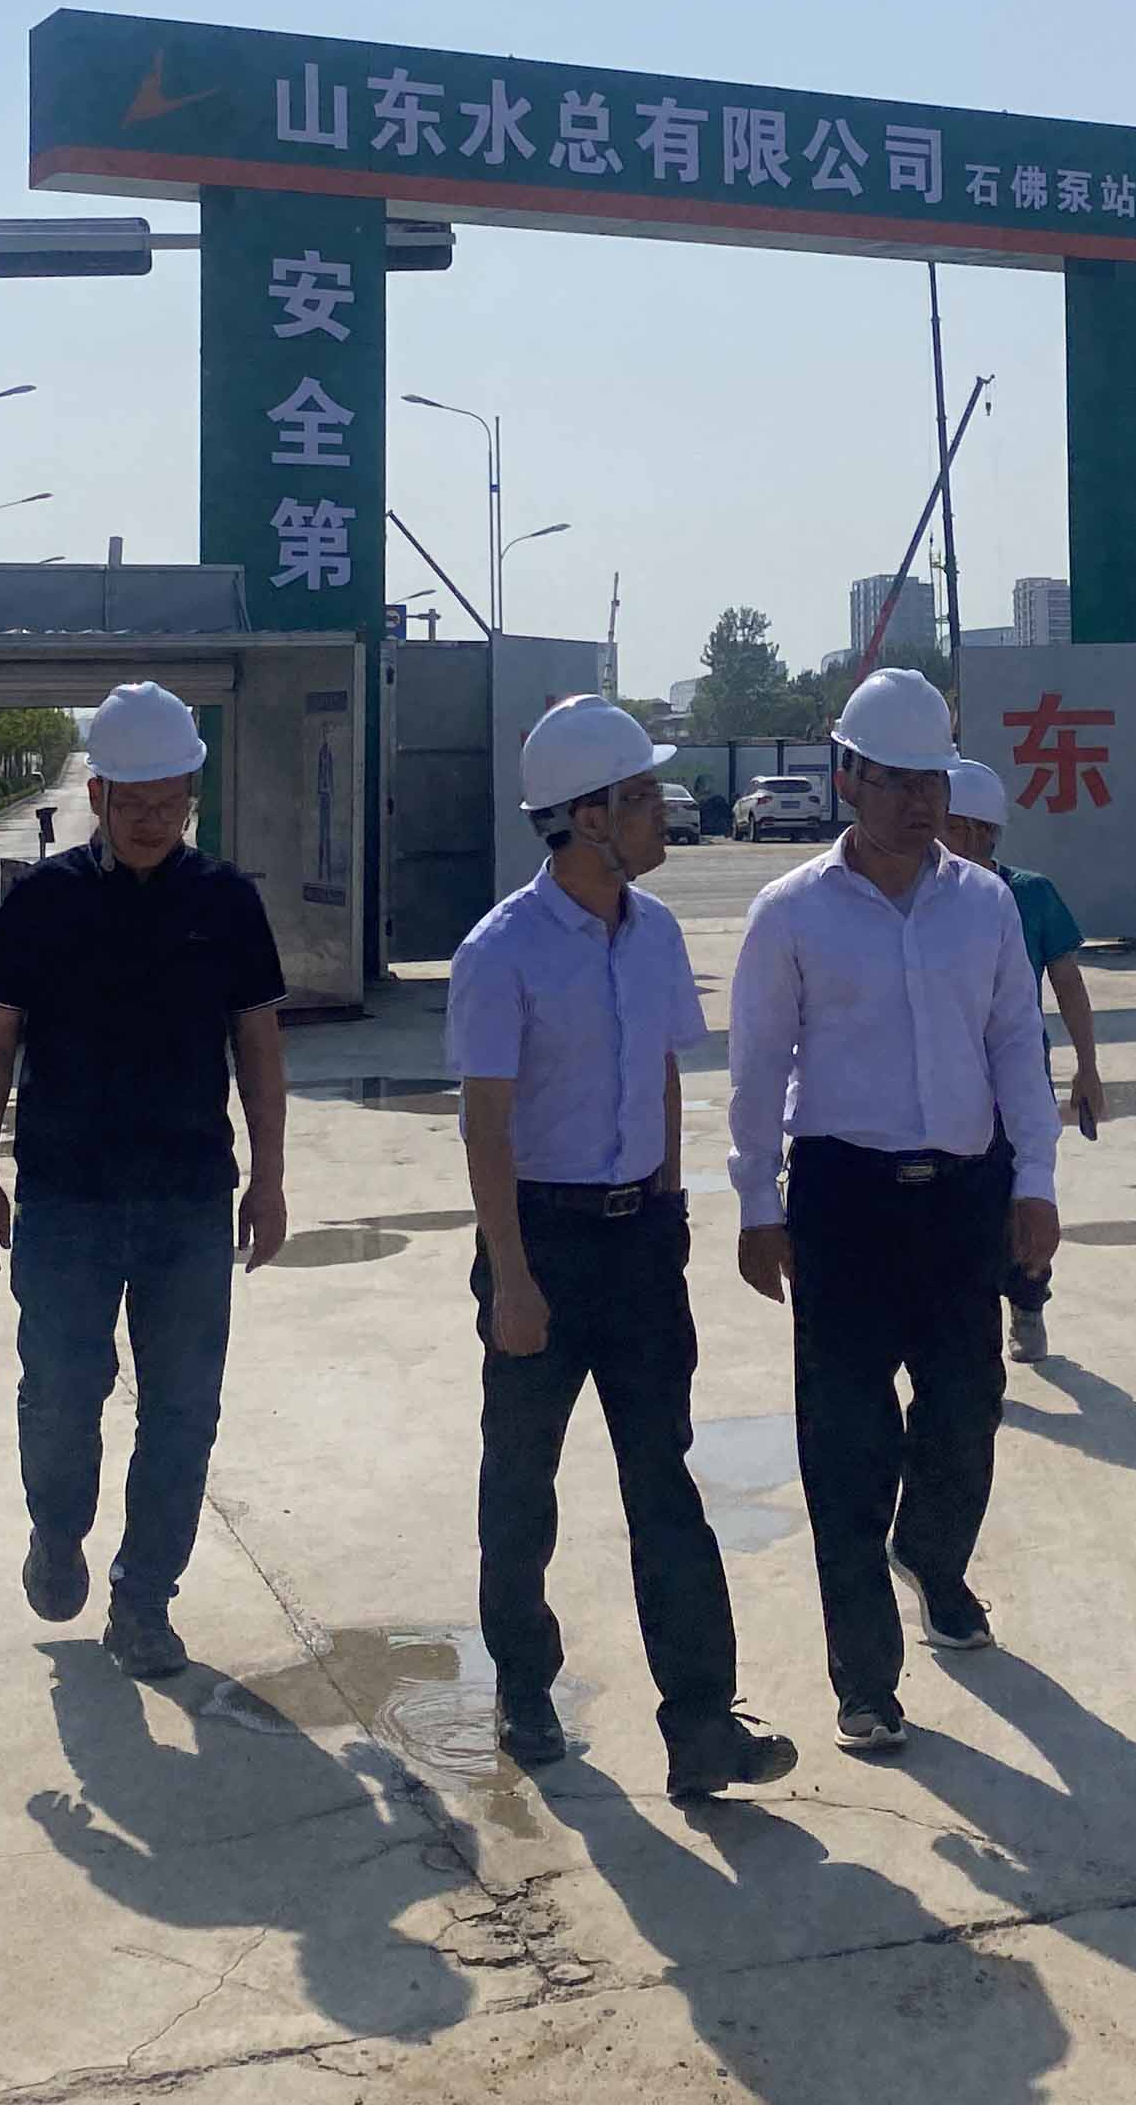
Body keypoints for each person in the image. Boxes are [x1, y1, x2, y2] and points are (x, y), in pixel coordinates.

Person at [448, 696, 800, 1798]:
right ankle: (524, 1683)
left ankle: (702, 1725)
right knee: (522, 1483)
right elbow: (486, 1125)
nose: (662, 811)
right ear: (587, 818)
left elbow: (661, 1071)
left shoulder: (656, 933)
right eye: (642, 797)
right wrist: (511, 1278)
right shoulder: (501, 951)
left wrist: (669, 1205)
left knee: (664, 1482)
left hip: (641, 1241)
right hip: (539, 1243)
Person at [728, 669, 1062, 1756]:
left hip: (961, 1199)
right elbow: (756, 1066)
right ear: (848, 779)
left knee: (967, 1411)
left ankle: (931, 1553)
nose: (922, 804)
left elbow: (1016, 1045)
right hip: (843, 1201)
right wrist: (756, 1201)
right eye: (898, 782)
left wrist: (1035, 1181)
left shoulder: (986, 905)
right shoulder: (792, 913)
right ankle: (865, 1680)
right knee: (846, 1440)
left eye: (934, 782)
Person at [0, 682, 291, 1681]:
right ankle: (58, 1530)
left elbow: (259, 1051)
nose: (152, 821)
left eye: (170, 802)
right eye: (134, 802)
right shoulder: (43, 903)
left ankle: (144, 1602)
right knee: (63, 1393)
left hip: (190, 1200)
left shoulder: (225, 902)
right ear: (96, 794)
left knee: (183, 1410)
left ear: (192, 795)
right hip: (66, 1200)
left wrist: (269, 1179)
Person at [941, 755, 1102, 1366]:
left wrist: (1087, 1067)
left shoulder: (1029, 895)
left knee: (1023, 1193)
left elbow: (1068, 984)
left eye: (951, 825)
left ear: (981, 830)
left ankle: (1028, 1302)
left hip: (1017, 1079)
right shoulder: (923, 897)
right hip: (948, 1081)